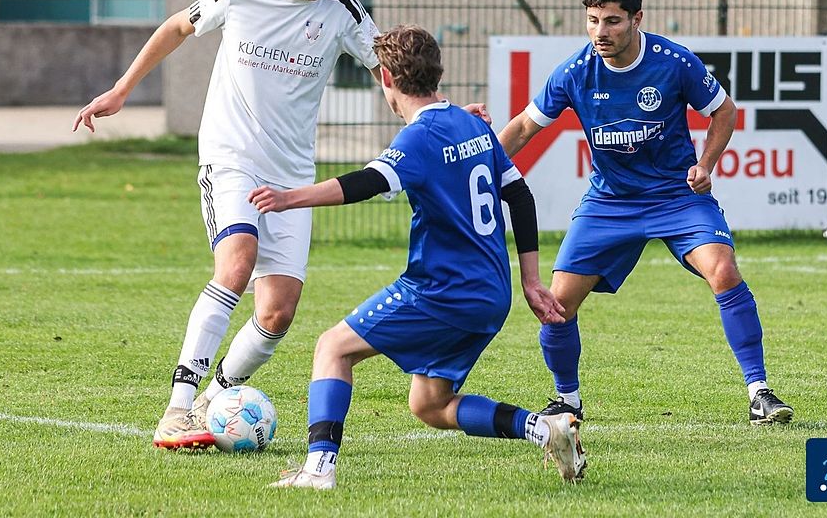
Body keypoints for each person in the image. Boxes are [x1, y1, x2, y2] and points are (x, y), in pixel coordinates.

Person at [73, 0, 487, 450]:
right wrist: (122, 90)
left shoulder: (341, 9)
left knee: (277, 311)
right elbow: (176, 26)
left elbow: (395, 72)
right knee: (238, 262)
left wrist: (445, 115)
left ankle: (214, 399)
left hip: (292, 173)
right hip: (231, 157)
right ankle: (177, 406)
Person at [248, 24, 585, 490]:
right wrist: (530, 278)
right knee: (429, 404)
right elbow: (520, 195)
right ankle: (544, 428)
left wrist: (289, 198)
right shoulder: (473, 125)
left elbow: (367, 181)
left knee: (332, 348)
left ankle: (318, 469)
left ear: (386, 77)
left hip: (440, 290)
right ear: (436, 71)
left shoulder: (420, 138)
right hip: (491, 294)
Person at [497, 0, 794, 426]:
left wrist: (706, 165)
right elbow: (522, 128)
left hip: (677, 196)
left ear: (637, 18)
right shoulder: (575, 73)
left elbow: (724, 111)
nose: (601, 32)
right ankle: (567, 401)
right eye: (593, 21)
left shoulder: (672, 62)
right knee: (556, 304)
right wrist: (481, 167)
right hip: (610, 202)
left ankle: (760, 392)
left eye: (612, 21)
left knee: (724, 270)